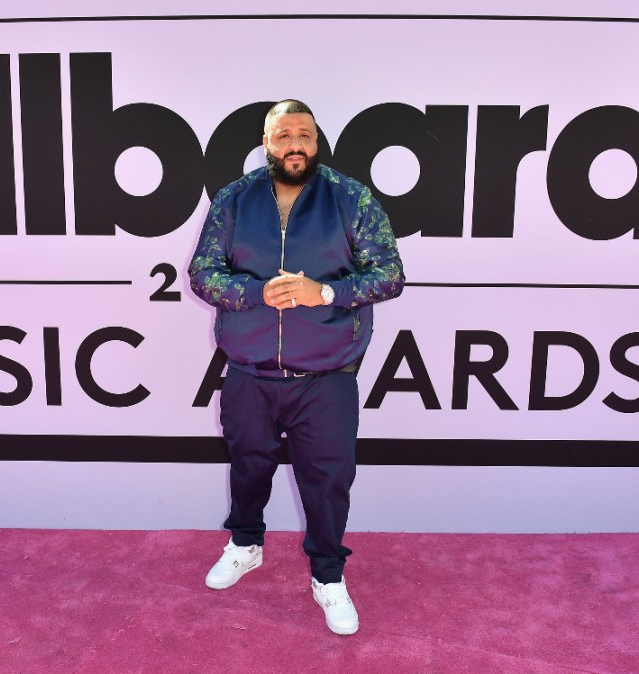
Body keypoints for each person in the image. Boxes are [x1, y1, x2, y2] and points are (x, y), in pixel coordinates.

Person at [187, 99, 405, 635]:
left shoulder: (351, 198)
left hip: (326, 376)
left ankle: (328, 577)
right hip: (249, 372)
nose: (294, 144)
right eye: (283, 135)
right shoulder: (235, 201)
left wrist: (323, 292)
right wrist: (256, 292)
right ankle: (245, 545)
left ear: (317, 141)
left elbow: (391, 275)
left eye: (303, 134)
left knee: (329, 480)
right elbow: (202, 274)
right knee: (248, 466)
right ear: (267, 144)